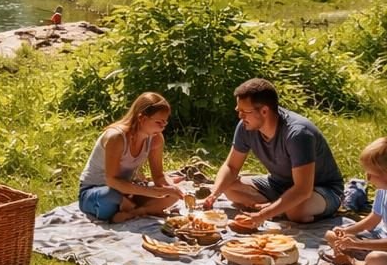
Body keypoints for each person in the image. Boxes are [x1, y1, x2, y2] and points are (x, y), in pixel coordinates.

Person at [204, 78, 344, 225]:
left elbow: (303, 190)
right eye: (238, 111)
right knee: (230, 188)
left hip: (321, 189)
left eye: (245, 111)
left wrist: (262, 215)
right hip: (279, 184)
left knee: (297, 211)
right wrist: (214, 194)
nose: (240, 116)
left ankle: (278, 207)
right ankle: (280, 206)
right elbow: (231, 167)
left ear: (264, 111)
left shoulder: (298, 133)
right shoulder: (246, 126)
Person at [77, 92, 182, 223]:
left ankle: (134, 212)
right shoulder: (117, 137)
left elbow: (159, 176)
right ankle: (130, 207)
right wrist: (151, 192)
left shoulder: (156, 139)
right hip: (97, 191)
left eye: (165, 123)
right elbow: (112, 181)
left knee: (172, 196)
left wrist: (170, 188)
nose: (162, 127)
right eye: (159, 122)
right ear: (142, 118)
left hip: (127, 191)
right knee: (111, 196)